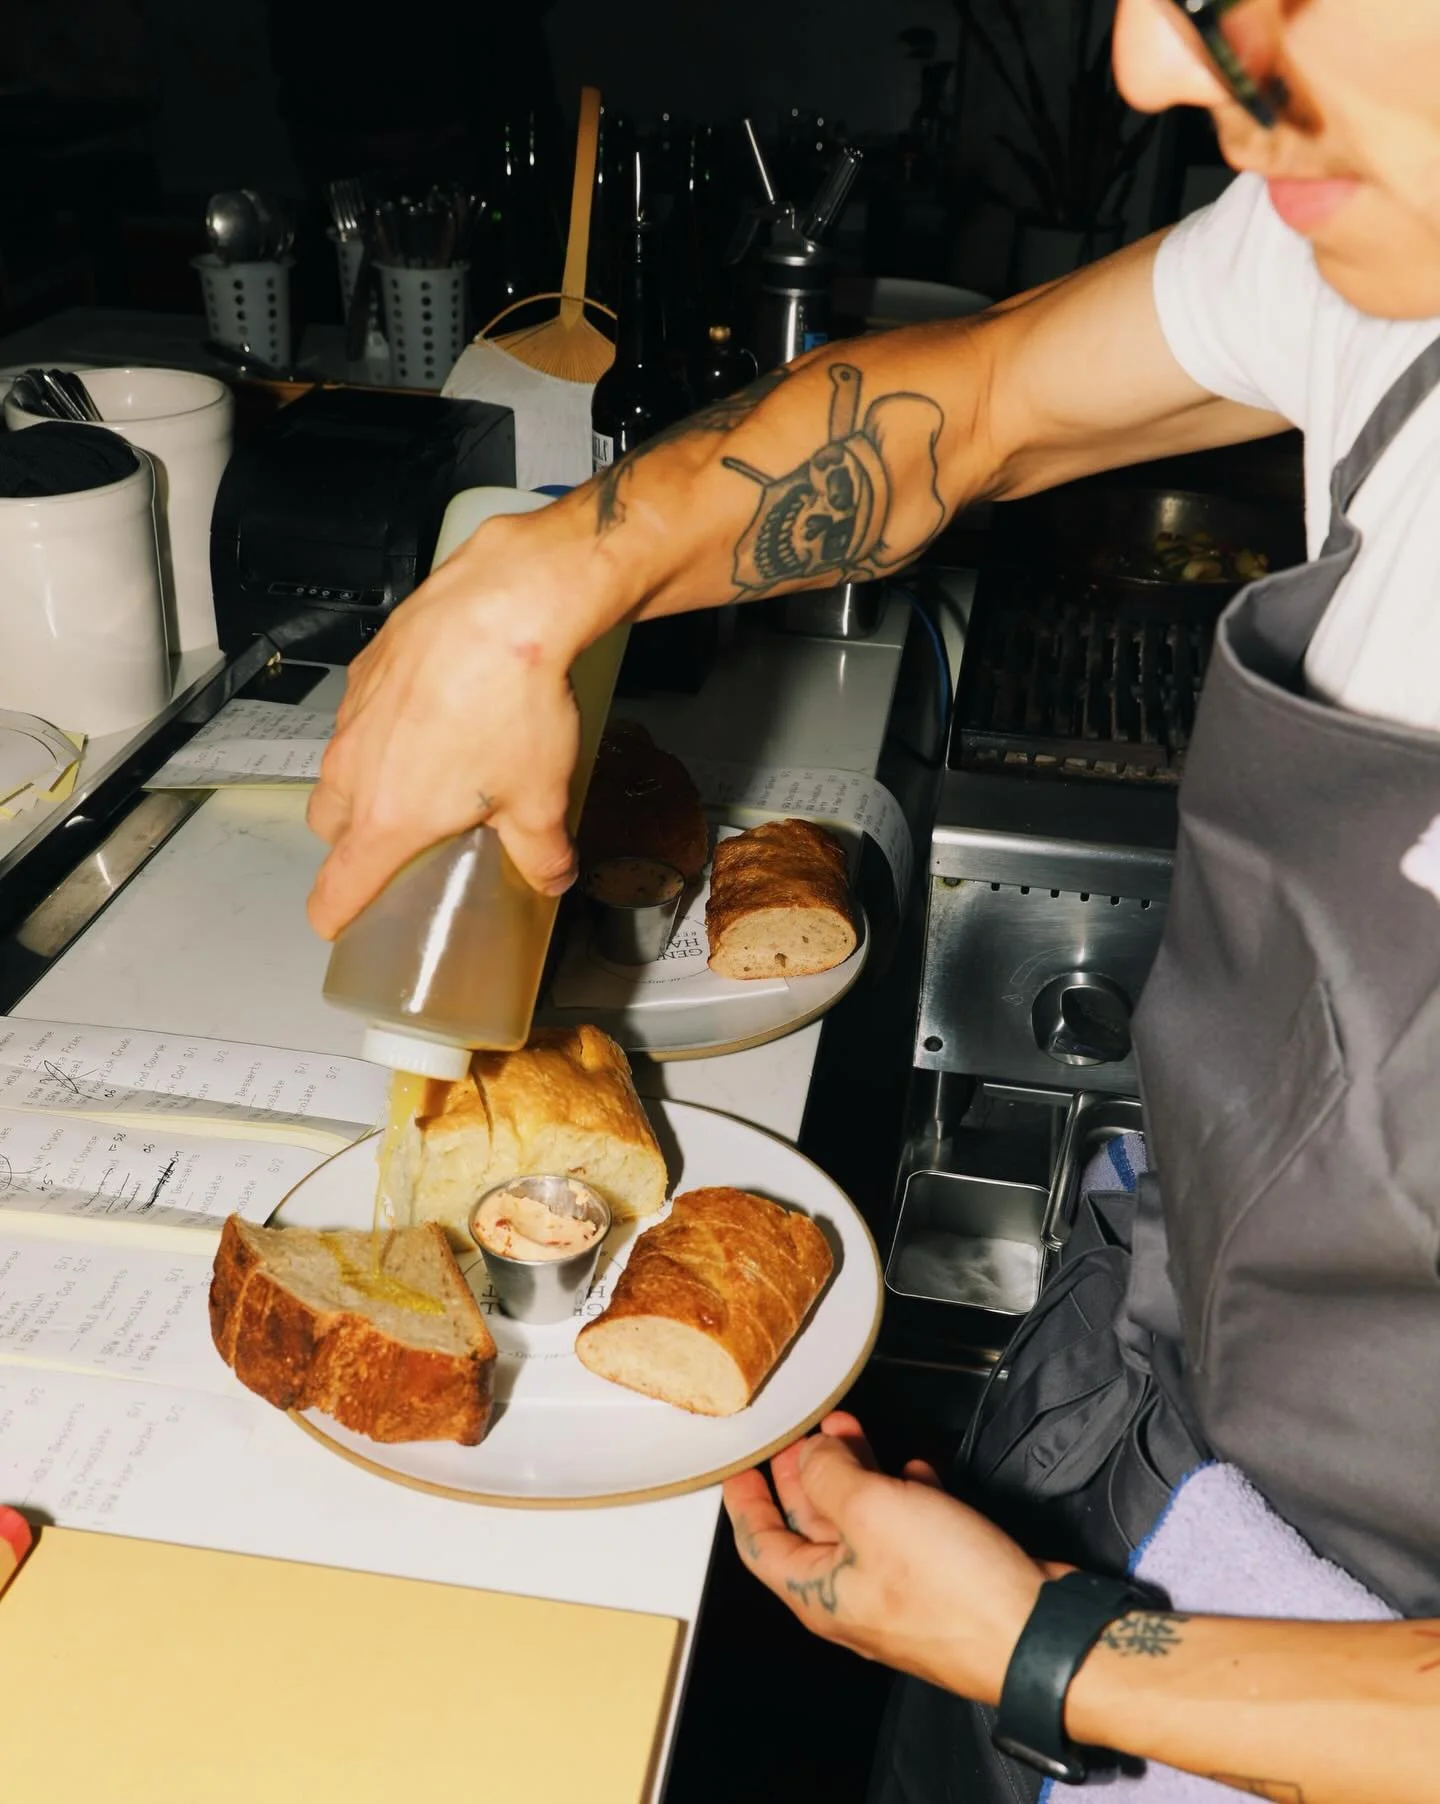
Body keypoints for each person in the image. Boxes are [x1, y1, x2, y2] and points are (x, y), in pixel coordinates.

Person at [307, 3, 1440, 1798]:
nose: (1152, 62)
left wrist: (1067, 1656)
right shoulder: (1392, 252)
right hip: (1151, 1376)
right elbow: (971, 404)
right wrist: (542, 578)